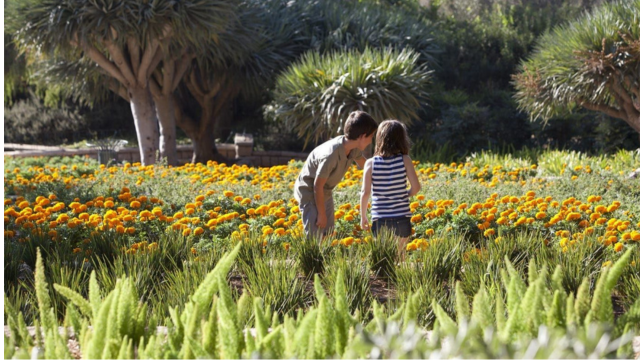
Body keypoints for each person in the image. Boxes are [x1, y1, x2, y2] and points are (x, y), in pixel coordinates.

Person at [294, 111, 378, 241]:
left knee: (328, 232)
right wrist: (321, 214)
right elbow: (317, 185)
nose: (371, 140)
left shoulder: (353, 148)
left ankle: (323, 259)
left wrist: (385, 170)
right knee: (315, 235)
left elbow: (366, 165)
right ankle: (312, 260)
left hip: (325, 191)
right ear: (362, 136)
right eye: (371, 136)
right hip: (310, 191)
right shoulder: (330, 155)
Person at [360, 119, 421, 258]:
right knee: (401, 257)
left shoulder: (370, 163)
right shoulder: (405, 160)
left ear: (379, 138)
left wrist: (363, 216)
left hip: (380, 218)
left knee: (384, 257)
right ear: (401, 139)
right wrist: (403, 194)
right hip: (402, 216)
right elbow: (416, 187)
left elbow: (365, 193)